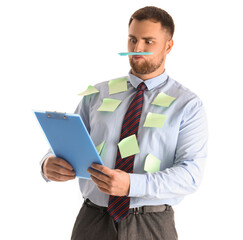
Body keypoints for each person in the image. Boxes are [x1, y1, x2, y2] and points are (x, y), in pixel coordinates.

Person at [40, 6, 208, 240]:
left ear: (168, 46)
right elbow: (69, 143)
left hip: (152, 223)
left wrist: (132, 185)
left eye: (148, 41)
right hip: (92, 219)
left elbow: (191, 175)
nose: (137, 48)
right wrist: (47, 163)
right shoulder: (97, 94)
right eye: (132, 39)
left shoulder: (187, 105)